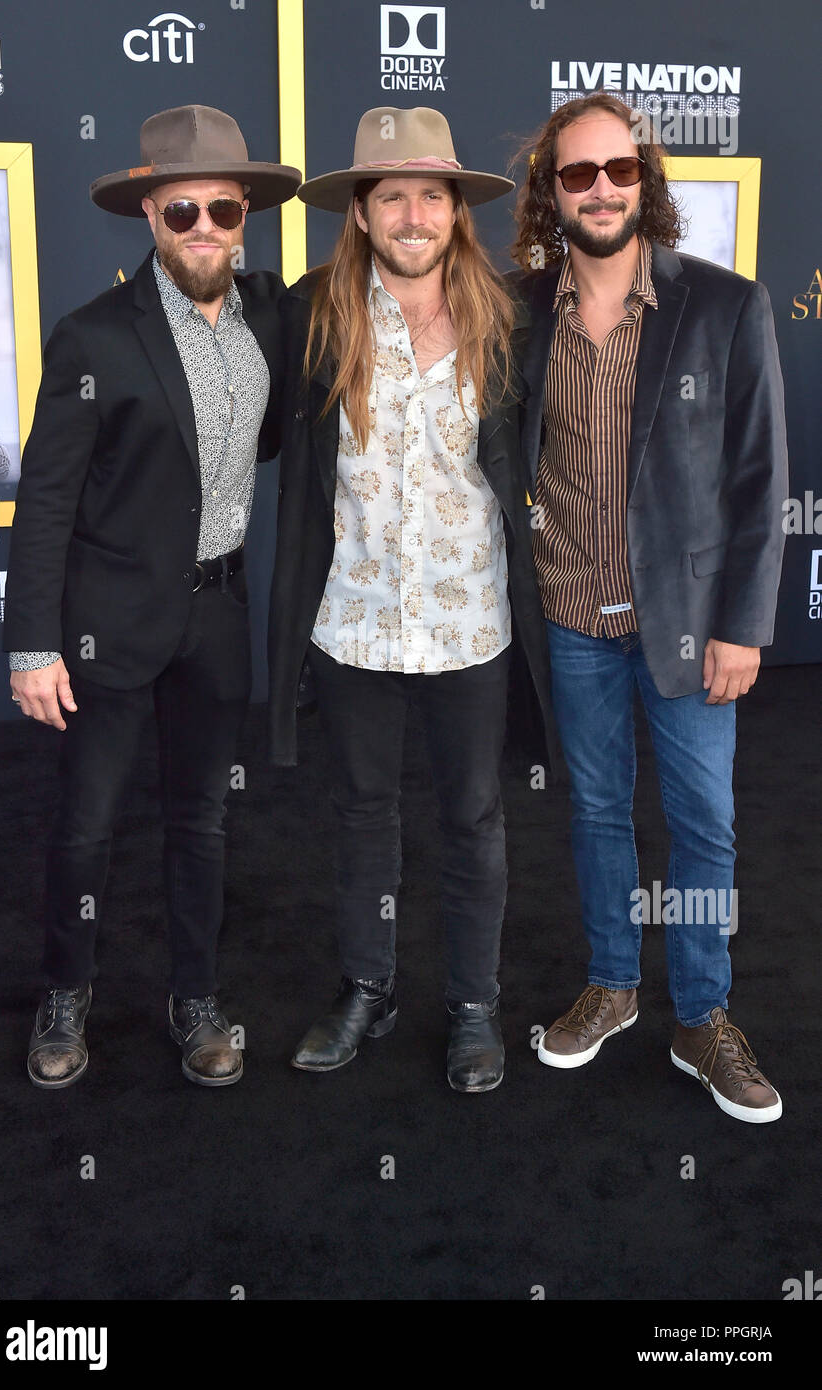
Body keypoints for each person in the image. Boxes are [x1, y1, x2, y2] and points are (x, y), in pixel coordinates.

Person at [4, 105, 300, 1089]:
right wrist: (30, 643)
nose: (204, 226)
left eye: (222, 207)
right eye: (182, 211)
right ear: (149, 216)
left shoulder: (270, 310)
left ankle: (195, 995)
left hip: (218, 614)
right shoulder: (93, 337)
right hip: (105, 623)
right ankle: (66, 989)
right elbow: (46, 497)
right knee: (88, 822)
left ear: (245, 211)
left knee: (202, 817)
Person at [510, 93, 788, 1122]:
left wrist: (741, 623)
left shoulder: (723, 306)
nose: (598, 190)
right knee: (591, 812)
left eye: (617, 171)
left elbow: (758, 480)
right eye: (575, 175)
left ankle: (702, 1014)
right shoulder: (517, 309)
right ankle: (613, 984)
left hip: (686, 622)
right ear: (551, 192)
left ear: (645, 181)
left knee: (701, 824)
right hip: (569, 612)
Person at [269, 106, 558, 1093]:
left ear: (454, 210)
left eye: (428, 194)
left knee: (474, 815)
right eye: (388, 195)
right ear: (359, 213)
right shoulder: (313, 316)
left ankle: (472, 1004)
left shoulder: (508, 316)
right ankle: (366, 986)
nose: (410, 212)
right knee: (360, 811)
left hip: (470, 619)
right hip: (351, 621)